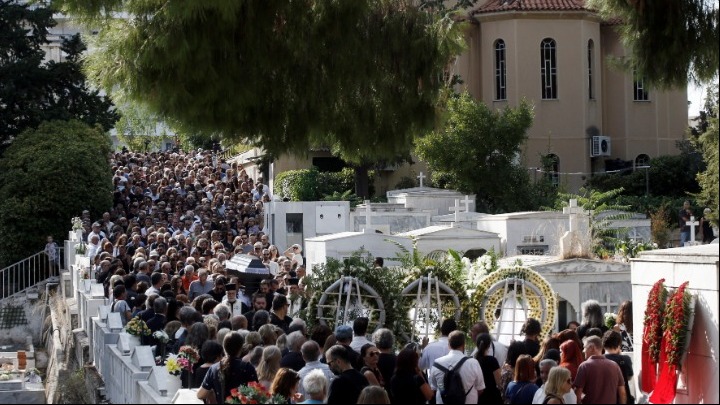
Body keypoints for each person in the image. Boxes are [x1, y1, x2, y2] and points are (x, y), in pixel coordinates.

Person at [197, 331, 258, 403]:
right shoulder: (247, 367)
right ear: (241, 348)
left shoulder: (214, 368)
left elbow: (200, 394)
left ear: (224, 347)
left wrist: (211, 391)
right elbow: (257, 393)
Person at [429, 330, 485, 404]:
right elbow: (480, 389)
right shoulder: (473, 363)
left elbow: (434, 387)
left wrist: (443, 391)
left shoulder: (437, 363)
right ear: (463, 345)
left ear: (449, 345)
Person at [574, 336, 626, 404]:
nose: (583, 350)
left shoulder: (584, 366)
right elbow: (622, 393)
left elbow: (578, 393)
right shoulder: (614, 365)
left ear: (592, 347)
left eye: (584, 347)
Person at [602, 331, 634, 404]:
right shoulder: (625, 359)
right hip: (621, 397)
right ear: (619, 344)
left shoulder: (598, 360)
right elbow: (629, 377)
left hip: (604, 397)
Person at [474, 333, 503, 405]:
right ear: (489, 345)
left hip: (478, 397)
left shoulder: (473, 361)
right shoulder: (492, 360)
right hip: (492, 397)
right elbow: (499, 383)